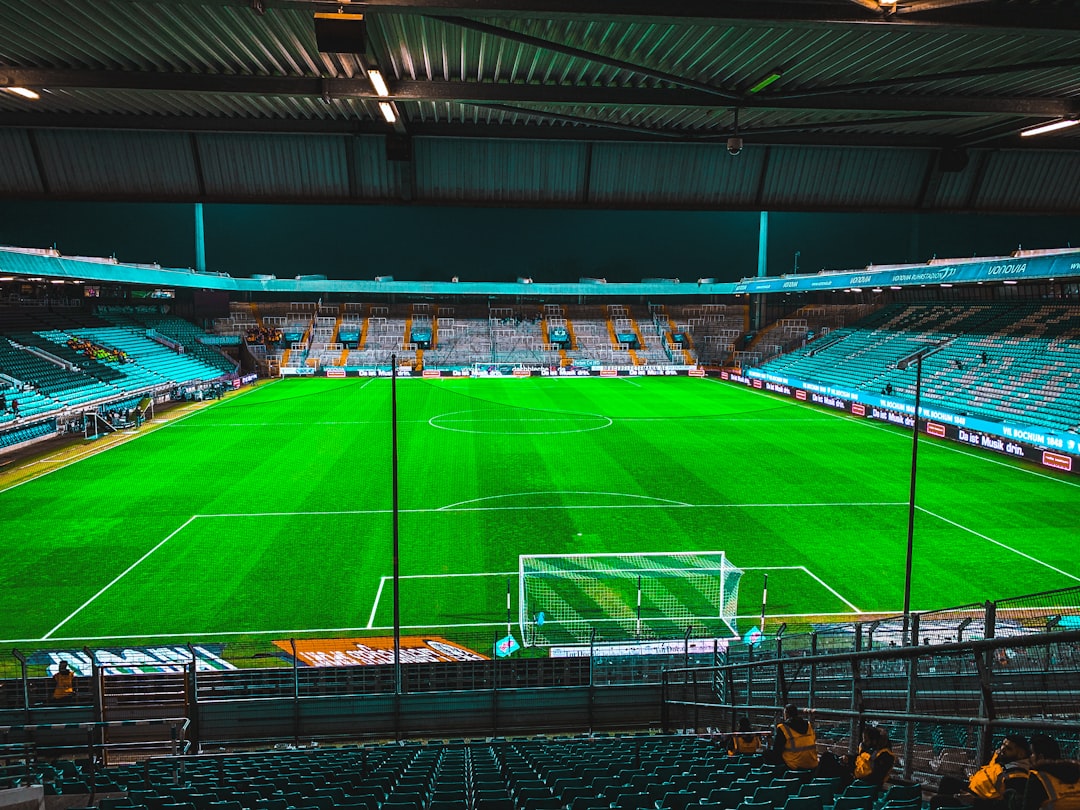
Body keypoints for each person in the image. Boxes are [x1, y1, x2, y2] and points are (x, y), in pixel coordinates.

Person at [1024, 735, 1080, 810]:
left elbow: (1029, 806)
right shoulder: (1076, 771)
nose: (1029, 757)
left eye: (1031, 753)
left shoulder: (1038, 777)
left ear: (1041, 757)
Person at [772, 703, 818, 774]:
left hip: (794, 764)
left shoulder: (783, 728)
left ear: (786, 714)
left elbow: (777, 749)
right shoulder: (808, 725)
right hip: (812, 763)